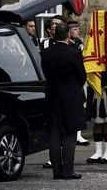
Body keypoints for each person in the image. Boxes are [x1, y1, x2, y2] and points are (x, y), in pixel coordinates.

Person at [41, 23, 87, 179]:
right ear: (68, 36)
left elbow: (45, 73)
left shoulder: (46, 53)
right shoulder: (73, 52)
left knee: (54, 135)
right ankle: (68, 170)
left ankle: (56, 170)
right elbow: (82, 76)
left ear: (54, 35)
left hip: (52, 96)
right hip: (70, 97)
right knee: (69, 134)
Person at [41, 15, 65, 169]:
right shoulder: (44, 44)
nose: (56, 28)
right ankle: (54, 157)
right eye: (53, 25)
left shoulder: (71, 44)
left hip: (65, 90)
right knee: (54, 128)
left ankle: (62, 157)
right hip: (50, 88)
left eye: (59, 25)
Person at [67, 20, 90, 146]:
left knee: (81, 105)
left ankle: (78, 135)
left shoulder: (79, 43)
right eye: (75, 29)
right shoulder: (68, 44)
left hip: (80, 78)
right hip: (71, 79)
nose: (78, 31)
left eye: (78, 29)